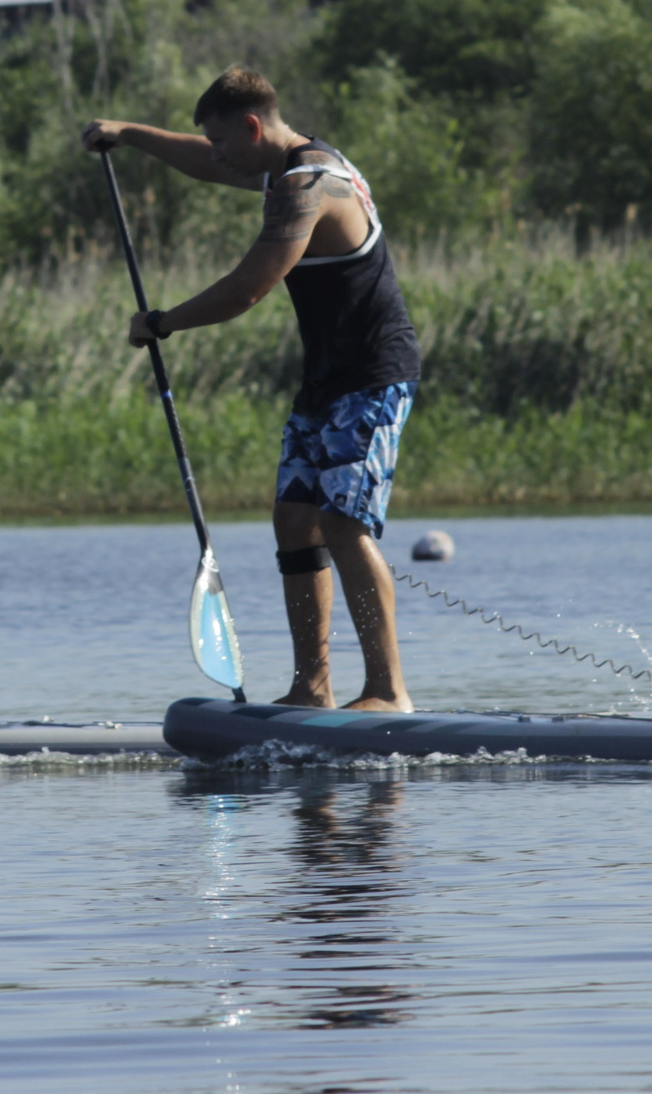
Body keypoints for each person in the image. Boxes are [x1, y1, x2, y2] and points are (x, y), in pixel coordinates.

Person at [83, 67, 423, 712]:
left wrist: (161, 323)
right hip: (325, 377)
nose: (216, 158)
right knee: (295, 520)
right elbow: (205, 162)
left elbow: (248, 289)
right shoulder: (287, 161)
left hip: (373, 373)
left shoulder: (311, 185)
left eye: (221, 142)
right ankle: (312, 688)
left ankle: (387, 692)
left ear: (252, 126)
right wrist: (128, 134)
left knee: (342, 520)